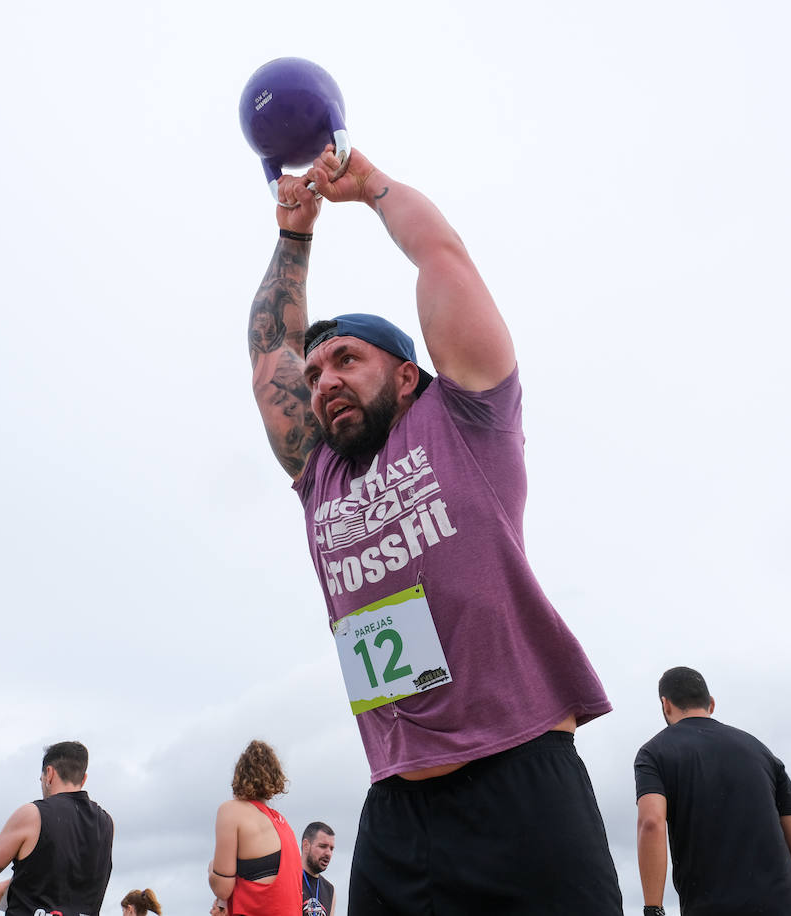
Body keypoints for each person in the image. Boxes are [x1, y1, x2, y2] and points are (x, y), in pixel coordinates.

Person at [244, 145, 622, 914]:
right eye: (315, 375)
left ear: (406, 375)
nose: (325, 380)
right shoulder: (322, 477)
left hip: (522, 782)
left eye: (347, 360)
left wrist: (372, 187)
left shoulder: (466, 419)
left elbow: (442, 257)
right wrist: (293, 234)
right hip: (398, 807)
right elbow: (268, 357)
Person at [634, 667, 791, 916]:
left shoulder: (654, 752)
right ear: (711, 703)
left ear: (666, 705)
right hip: (780, 906)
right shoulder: (761, 751)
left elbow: (651, 823)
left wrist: (653, 909)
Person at [0, 740, 114, 916]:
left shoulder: (33, 814)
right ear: (83, 778)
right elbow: (65, 877)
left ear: (49, 774)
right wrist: (4, 888)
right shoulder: (106, 822)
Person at [207, 740, 301, 916]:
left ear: (239, 775)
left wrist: (212, 869)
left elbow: (222, 889)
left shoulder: (231, 811)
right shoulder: (282, 825)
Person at [299, 822, 334, 916]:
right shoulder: (287, 877)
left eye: (331, 849)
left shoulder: (330, 890)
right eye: (323, 846)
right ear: (306, 845)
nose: (328, 853)